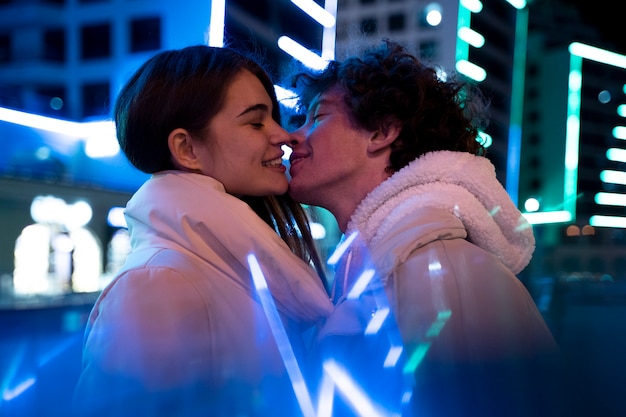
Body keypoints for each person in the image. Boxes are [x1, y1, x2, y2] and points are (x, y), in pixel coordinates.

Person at [285, 40, 564, 416]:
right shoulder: (393, 265)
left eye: (318, 118)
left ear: (382, 132)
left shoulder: (442, 273)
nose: (293, 136)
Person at [72, 45, 333, 417]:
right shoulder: (159, 281)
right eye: (256, 122)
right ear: (187, 148)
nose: (284, 136)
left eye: (274, 118)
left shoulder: (236, 263)